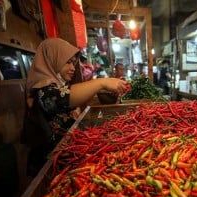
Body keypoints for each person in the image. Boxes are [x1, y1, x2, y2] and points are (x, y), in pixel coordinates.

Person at [22, 38, 128, 177]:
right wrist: (101, 83)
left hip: (68, 157)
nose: (72, 68)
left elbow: (72, 98)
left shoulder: (58, 85)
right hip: (49, 167)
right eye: (67, 62)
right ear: (52, 60)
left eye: (73, 62)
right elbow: (61, 99)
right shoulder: (43, 91)